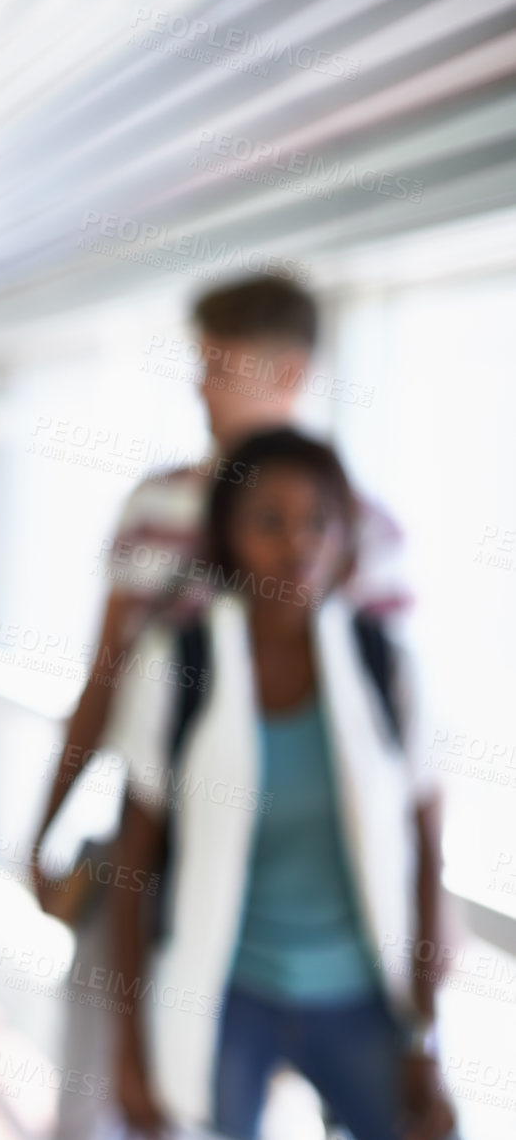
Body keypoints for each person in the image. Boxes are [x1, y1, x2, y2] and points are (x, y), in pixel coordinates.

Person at [29, 275, 409, 1138]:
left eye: (219, 366)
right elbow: (105, 677)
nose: (199, 385)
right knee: (112, 1096)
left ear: (288, 372)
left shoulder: (367, 531)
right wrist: (44, 824)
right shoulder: (157, 505)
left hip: (323, 891)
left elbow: (396, 736)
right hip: (156, 851)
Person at [105, 429, 454, 1140]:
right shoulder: (179, 665)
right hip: (229, 990)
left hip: (361, 994)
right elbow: (130, 868)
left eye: (317, 521)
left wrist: (425, 1032)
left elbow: (425, 854)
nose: (298, 545)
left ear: (343, 536)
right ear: (227, 536)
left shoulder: (384, 665)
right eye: (269, 521)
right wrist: (127, 1049)